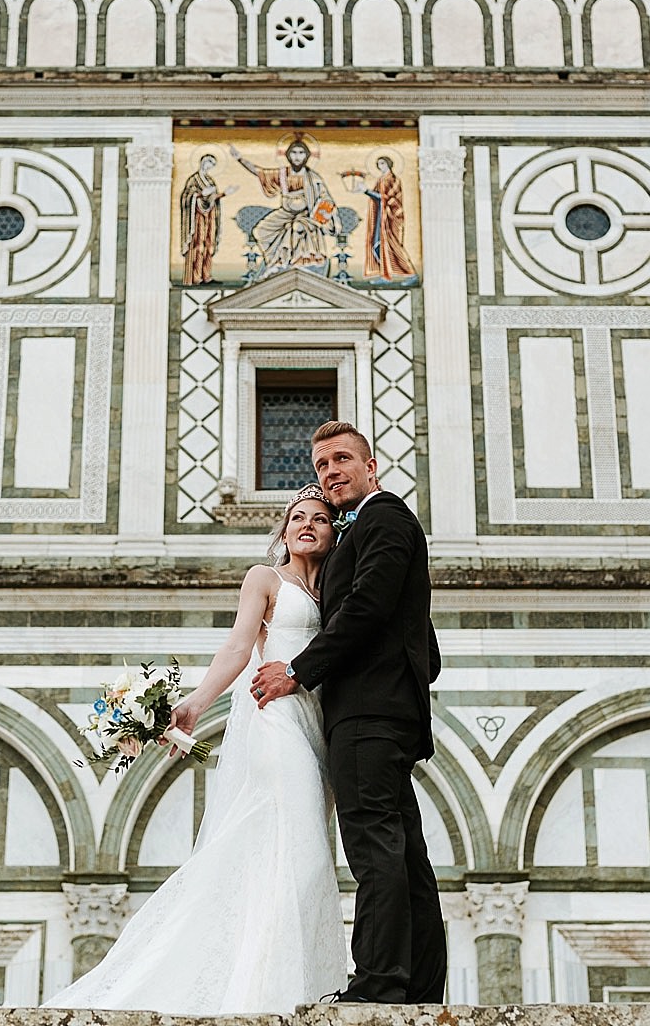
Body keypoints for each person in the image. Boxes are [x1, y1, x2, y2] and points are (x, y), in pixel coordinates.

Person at [44, 487, 346, 1013]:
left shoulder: (336, 588)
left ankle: (289, 982)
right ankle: (267, 995)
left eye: (319, 519)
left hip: (316, 725)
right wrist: (196, 703)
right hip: (274, 720)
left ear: (332, 531)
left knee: (303, 850)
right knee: (301, 851)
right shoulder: (265, 578)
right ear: (283, 531)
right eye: (297, 517)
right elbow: (237, 646)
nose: (307, 525)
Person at [252, 421, 445, 1003]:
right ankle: (419, 986)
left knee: (373, 845)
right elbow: (424, 644)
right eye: (321, 465)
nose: (331, 472)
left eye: (341, 459)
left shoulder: (383, 518)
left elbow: (364, 607)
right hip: (386, 711)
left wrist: (298, 670)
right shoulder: (369, 528)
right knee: (404, 851)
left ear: (371, 466)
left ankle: (379, 984)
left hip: (365, 715)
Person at [228, 136, 336, 275]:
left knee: (297, 228)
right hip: (285, 213)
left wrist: (321, 214)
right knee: (260, 231)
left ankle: (293, 262)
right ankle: (274, 261)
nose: (297, 156)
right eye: (294, 153)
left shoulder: (313, 177)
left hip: (305, 215)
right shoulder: (282, 174)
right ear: (288, 155)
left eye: (301, 153)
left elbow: (325, 198)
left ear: (307, 156)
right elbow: (259, 172)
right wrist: (239, 159)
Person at [362, 155, 415, 282]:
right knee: (377, 245)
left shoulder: (394, 180)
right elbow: (378, 197)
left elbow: (389, 198)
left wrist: (366, 191)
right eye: (379, 164)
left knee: (394, 246)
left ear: (389, 164)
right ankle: (385, 274)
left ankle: (411, 274)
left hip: (391, 217)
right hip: (380, 217)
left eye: (383, 163)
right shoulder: (380, 180)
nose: (380, 166)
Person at [179, 153, 225, 285]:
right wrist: (199, 194)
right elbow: (186, 197)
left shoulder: (210, 180)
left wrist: (223, 194)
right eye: (208, 163)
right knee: (198, 245)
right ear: (203, 163)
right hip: (197, 218)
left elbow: (212, 198)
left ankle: (207, 275)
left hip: (209, 217)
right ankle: (195, 277)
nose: (209, 167)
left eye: (212, 165)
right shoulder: (194, 180)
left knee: (209, 245)